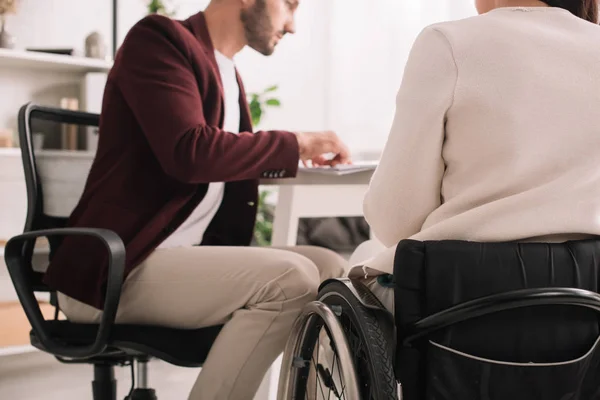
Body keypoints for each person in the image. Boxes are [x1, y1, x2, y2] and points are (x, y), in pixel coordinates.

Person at [44, 0, 351, 399]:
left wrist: (295, 155)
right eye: (289, 4)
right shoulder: (158, 40)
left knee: (330, 269)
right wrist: (296, 142)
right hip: (118, 266)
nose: (292, 25)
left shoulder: (228, 75)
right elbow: (190, 152)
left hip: (175, 257)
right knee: (289, 279)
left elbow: (218, 156)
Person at [349, 0, 600, 312]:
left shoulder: (448, 43)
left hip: (460, 302)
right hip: (586, 302)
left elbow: (396, 220)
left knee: (363, 255)